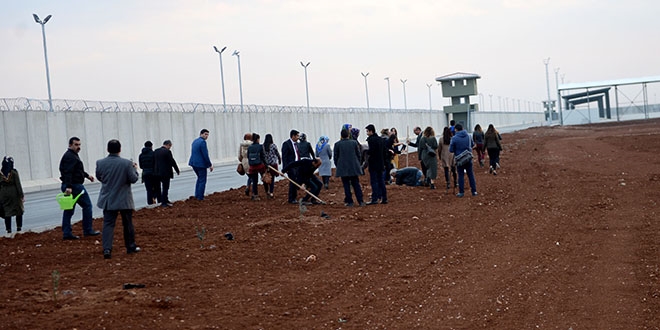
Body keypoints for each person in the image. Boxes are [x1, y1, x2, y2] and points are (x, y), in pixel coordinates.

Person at [96, 139, 140, 259]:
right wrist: (135, 169)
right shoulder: (126, 163)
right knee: (127, 223)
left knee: (108, 224)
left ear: (107, 149)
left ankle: (107, 249)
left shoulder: (100, 163)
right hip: (124, 198)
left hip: (108, 199)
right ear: (120, 150)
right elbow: (133, 179)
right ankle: (130, 247)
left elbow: (100, 177)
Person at [59, 137, 99, 240]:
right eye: (76, 145)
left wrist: (86, 175)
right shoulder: (70, 157)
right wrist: (68, 186)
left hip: (71, 185)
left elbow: (76, 170)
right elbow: (68, 172)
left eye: (79, 145)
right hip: (74, 186)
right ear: (70, 145)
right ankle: (88, 230)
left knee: (68, 210)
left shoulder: (71, 155)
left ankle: (67, 233)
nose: (78, 147)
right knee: (87, 205)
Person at [333, 129, 365, 207]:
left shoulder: (337, 144)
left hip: (343, 168)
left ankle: (350, 201)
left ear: (341, 136)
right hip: (353, 167)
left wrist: (338, 165)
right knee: (356, 184)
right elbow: (358, 154)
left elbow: (336, 157)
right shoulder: (354, 143)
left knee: (346, 185)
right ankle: (360, 201)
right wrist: (357, 164)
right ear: (348, 135)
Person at [449, 124, 477, 197]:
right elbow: (472, 145)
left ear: (456, 130)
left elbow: (451, 150)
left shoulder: (454, 138)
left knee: (460, 175)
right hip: (468, 158)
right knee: (470, 175)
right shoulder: (468, 136)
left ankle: (461, 192)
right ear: (463, 128)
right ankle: (474, 191)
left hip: (459, 159)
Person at [365, 124, 388, 205]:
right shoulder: (381, 140)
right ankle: (384, 197)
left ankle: (375, 198)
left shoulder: (371, 140)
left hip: (373, 164)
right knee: (381, 180)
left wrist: (366, 153)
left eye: (367, 131)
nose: (367, 133)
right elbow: (385, 152)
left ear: (371, 131)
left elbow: (371, 152)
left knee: (374, 181)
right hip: (381, 163)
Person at [188, 129, 214, 200]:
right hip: (200, 164)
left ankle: (197, 194)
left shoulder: (195, 141)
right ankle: (200, 196)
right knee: (202, 180)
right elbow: (205, 154)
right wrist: (209, 165)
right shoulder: (203, 142)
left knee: (199, 179)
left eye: (207, 134)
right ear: (201, 134)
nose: (206, 136)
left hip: (193, 163)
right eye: (205, 134)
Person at [0, 156, 24, 233]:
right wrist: (21, 195)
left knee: (7, 211)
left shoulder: (0, 173)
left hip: (3, 193)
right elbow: (18, 184)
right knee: (18, 210)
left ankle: (8, 230)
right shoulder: (13, 172)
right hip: (14, 193)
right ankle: (19, 228)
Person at [153, 140, 180, 207]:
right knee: (165, 188)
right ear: (168, 145)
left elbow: (153, 161)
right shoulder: (167, 152)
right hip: (165, 172)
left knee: (158, 187)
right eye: (170, 146)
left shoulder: (156, 151)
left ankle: (164, 200)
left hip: (157, 172)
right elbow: (172, 161)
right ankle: (164, 202)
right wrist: (177, 170)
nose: (170, 147)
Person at [281, 129, 301, 204]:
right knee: (292, 181)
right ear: (293, 136)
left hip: (297, 165)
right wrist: (285, 168)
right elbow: (284, 157)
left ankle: (294, 197)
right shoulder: (286, 144)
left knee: (296, 181)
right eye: (297, 136)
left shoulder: (297, 144)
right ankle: (291, 198)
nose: (298, 137)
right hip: (291, 166)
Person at [138, 141, 160, 205]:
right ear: (151, 146)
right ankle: (156, 199)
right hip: (154, 174)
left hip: (145, 174)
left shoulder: (141, 155)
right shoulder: (153, 154)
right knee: (157, 188)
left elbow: (141, 166)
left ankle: (150, 204)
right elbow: (156, 164)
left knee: (148, 190)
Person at [246, 133, 267, 201]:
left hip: (252, 166)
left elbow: (248, 156)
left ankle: (255, 195)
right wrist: (267, 165)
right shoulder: (260, 146)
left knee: (254, 181)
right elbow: (263, 156)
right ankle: (267, 192)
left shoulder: (250, 147)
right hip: (260, 165)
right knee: (264, 179)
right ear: (258, 139)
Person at [262, 133, 281, 199]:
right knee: (272, 179)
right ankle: (271, 192)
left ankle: (267, 191)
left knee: (265, 178)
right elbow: (277, 153)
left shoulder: (263, 146)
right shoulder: (273, 146)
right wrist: (279, 160)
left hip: (265, 164)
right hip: (273, 164)